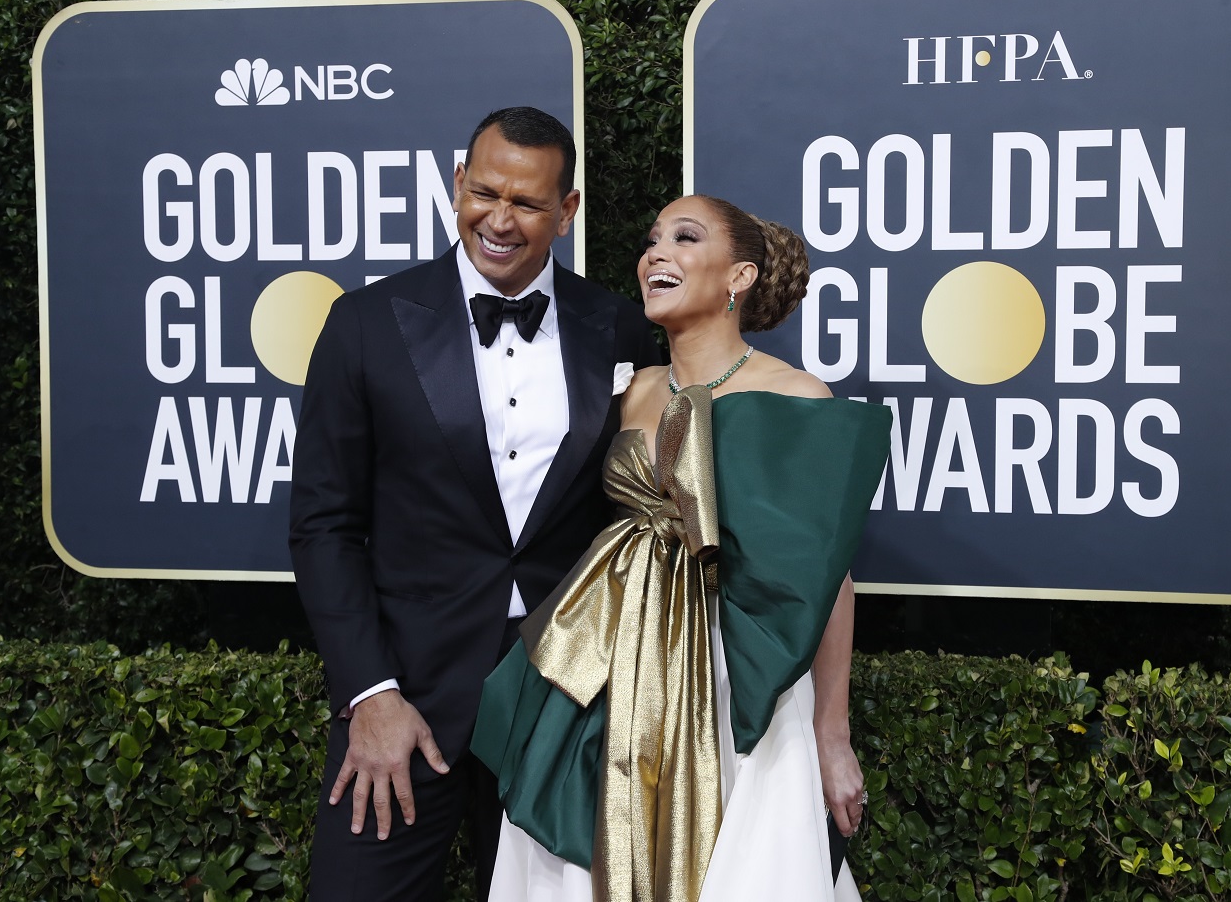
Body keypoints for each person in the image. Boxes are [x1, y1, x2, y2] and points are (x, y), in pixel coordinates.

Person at [471, 195, 893, 901]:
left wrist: (832, 732)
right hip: (615, 667)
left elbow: (826, 579)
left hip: (735, 676)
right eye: (651, 239)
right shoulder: (626, 391)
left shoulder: (797, 395)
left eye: (685, 238)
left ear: (740, 277)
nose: (655, 254)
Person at [289, 106, 661, 901]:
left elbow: (632, 520)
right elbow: (325, 526)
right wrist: (370, 693)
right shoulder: (365, 324)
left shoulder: (621, 329)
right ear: (458, 182)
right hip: (406, 696)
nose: (499, 219)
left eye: (526, 202)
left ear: (567, 210)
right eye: (484, 192)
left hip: (560, 700)